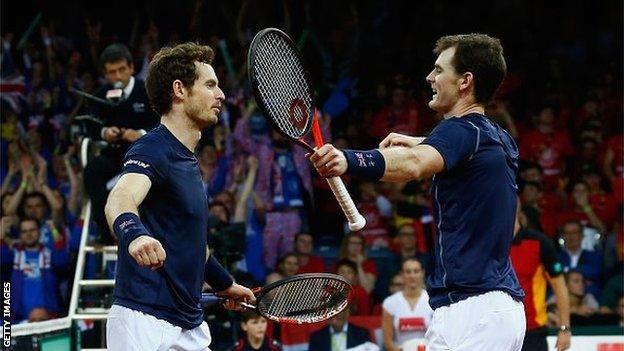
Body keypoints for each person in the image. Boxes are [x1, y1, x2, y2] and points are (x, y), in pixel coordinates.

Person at [310, 34, 526, 350]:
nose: (430, 78)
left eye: (439, 70)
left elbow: (413, 165)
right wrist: (419, 141)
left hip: (475, 311)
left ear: (465, 81)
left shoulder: (459, 130)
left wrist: (348, 159)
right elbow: (460, 158)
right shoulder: (499, 138)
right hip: (487, 308)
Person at [104, 42, 255, 351]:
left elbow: (193, 245)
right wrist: (135, 236)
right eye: (210, 85)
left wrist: (226, 285)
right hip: (143, 320)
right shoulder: (153, 148)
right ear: (179, 90)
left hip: (188, 324)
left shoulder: (186, 160)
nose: (221, 95)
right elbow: (119, 199)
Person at [83, 43, 159, 244]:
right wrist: (105, 132)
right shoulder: (100, 95)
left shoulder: (147, 91)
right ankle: (107, 233)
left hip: (144, 154)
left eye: (121, 70)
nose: (117, 77)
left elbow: (163, 121)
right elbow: (89, 124)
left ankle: (149, 232)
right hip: (115, 153)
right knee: (92, 171)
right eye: (111, 72)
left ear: (131, 68)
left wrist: (141, 133)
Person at [511, 207, 571, 351]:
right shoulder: (487, 242)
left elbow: (559, 286)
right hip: (496, 331)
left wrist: (564, 328)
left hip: (532, 332)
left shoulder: (539, 243)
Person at [382, 258, 433, 351]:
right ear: (402, 275)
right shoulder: (390, 303)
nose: (412, 276)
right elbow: (387, 341)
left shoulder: (433, 300)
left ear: (422, 273)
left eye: (416, 271)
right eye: (408, 272)